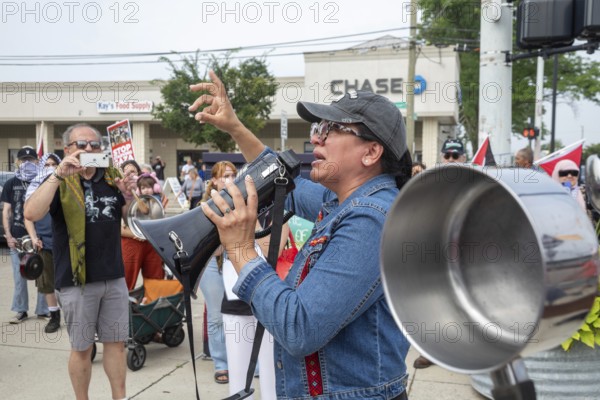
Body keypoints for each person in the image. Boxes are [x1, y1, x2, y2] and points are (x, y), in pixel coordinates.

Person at [190, 71, 412, 399]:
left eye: (331, 129)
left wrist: (240, 249)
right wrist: (235, 127)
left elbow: (299, 328)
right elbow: (285, 185)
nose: (317, 139)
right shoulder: (343, 201)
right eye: (317, 129)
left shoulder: (371, 218)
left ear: (371, 153)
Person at [24, 123, 137, 400]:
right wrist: (58, 175)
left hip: (113, 276)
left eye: (95, 145)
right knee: (82, 348)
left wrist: (129, 195)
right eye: (82, 145)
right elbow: (32, 212)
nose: (89, 149)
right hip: (77, 281)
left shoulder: (111, 178)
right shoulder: (57, 180)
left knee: (116, 345)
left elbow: (136, 222)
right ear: (67, 150)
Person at [2, 146, 49, 324]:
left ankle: (44, 310)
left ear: (38, 162)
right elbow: (6, 211)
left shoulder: (43, 182)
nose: (27, 163)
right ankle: (21, 310)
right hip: (18, 238)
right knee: (19, 275)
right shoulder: (11, 183)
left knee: (42, 275)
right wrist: (8, 235)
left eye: (31, 160)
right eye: (24, 160)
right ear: (18, 162)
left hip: (40, 237)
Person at [24, 153, 63, 333]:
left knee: (70, 284)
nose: (50, 167)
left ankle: (74, 314)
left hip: (65, 244)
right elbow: (28, 217)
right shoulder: (36, 188)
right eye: (46, 164)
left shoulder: (67, 186)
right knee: (47, 284)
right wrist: (33, 237)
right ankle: (54, 316)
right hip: (44, 243)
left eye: (54, 164)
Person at [120, 161, 165, 290]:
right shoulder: (117, 193)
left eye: (132, 171)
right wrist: (136, 234)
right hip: (130, 244)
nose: (129, 174)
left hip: (152, 244)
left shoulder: (150, 195)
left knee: (155, 282)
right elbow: (115, 227)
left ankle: (154, 307)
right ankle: (125, 309)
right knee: (127, 283)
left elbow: (159, 218)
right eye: (126, 172)